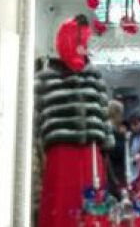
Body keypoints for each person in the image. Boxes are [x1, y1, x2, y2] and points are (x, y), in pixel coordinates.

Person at [33, 15, 114, 226]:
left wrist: (106, 146)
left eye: (85, 42)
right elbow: (35, 124)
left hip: (91, 153)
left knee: (92, 208)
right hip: (60, 155)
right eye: (80, 42)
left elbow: (104, 116)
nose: (83, 48)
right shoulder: (45, 79)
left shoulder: (94, 76)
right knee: (62, 204)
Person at [106, 99, 128, 198]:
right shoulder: (112, 131)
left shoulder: (110, 129)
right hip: (115, 174)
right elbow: (117, 152)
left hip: (111, 172)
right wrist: (122, 137)